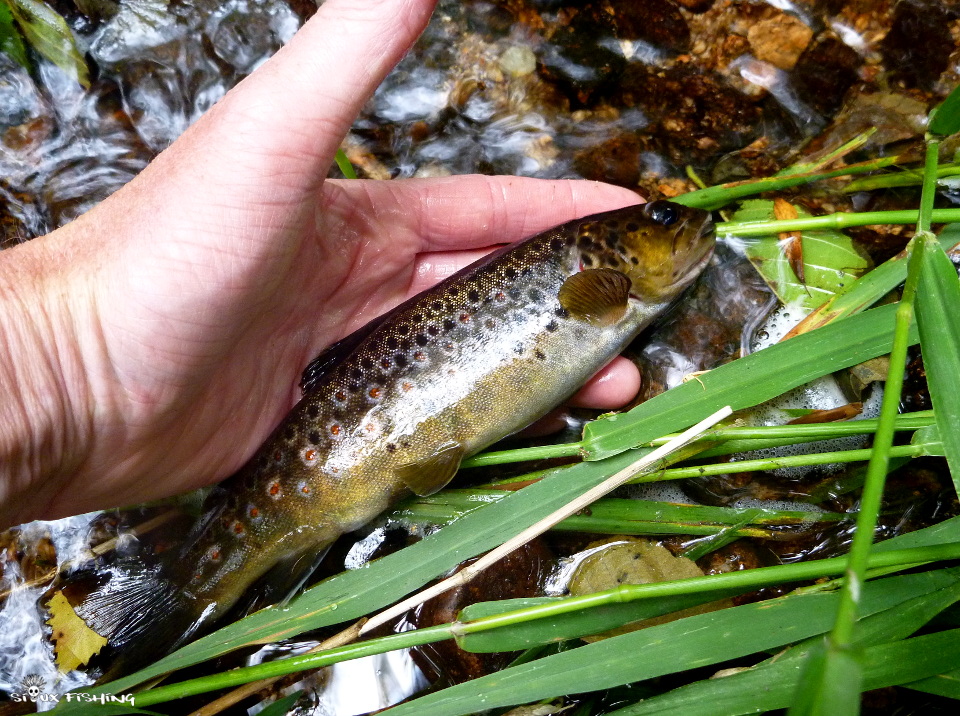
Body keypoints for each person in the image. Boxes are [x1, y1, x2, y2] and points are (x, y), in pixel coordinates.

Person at [0, 0, 643, 529]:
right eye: (662, 219)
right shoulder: (603, 275)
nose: (673, 223)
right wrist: (63, 366)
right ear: (611, 267)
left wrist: (66, 370)